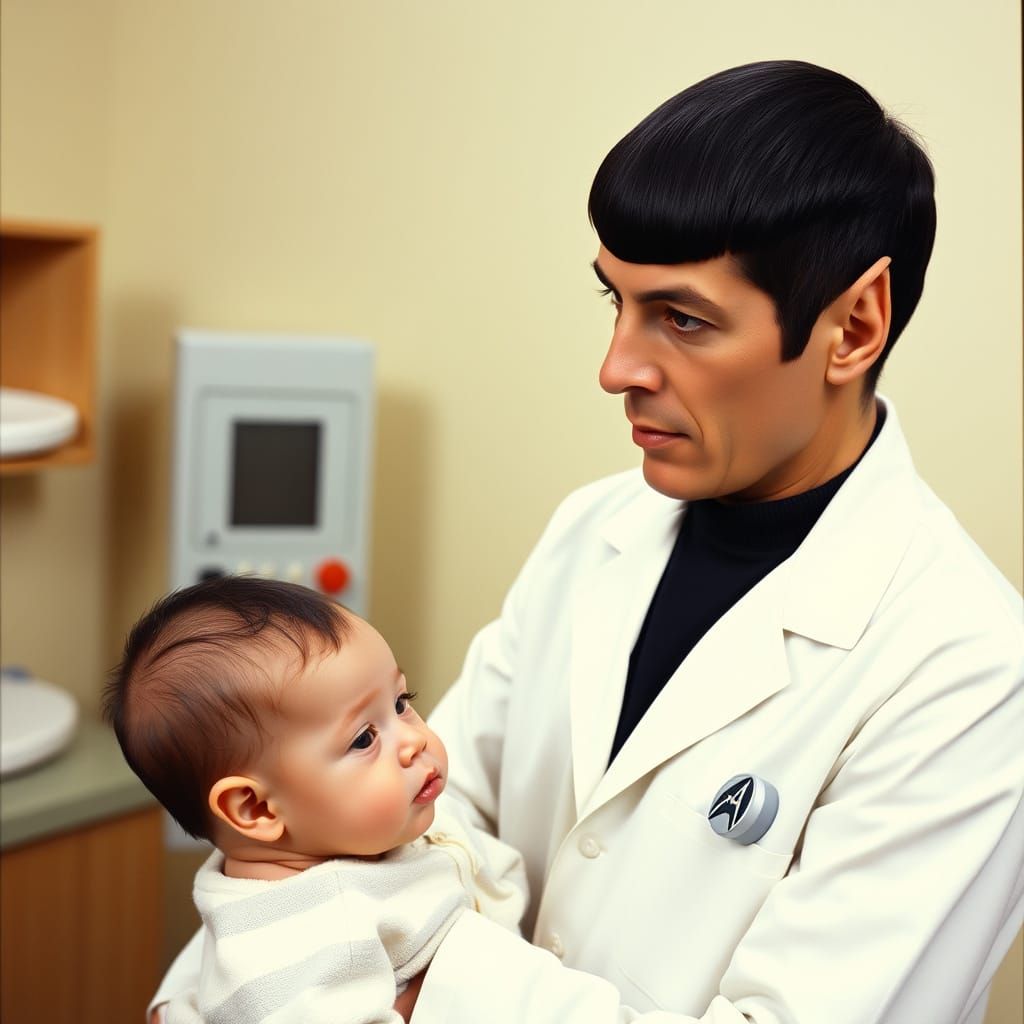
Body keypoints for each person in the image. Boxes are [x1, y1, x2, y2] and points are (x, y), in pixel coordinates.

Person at [152, 60, 1024, 1023]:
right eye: (618, 301)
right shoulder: (596, 529)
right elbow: (402, 819)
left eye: (683, 319)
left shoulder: (967, 665)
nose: (616, 369)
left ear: (852, 326)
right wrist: (199, 996)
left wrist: (397, 991)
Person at [104, 575, 525, 1024]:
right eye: (364, 738)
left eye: (402, 702)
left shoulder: (357, 839)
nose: (413, 741)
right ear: (257, 809)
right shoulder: (296, 948)